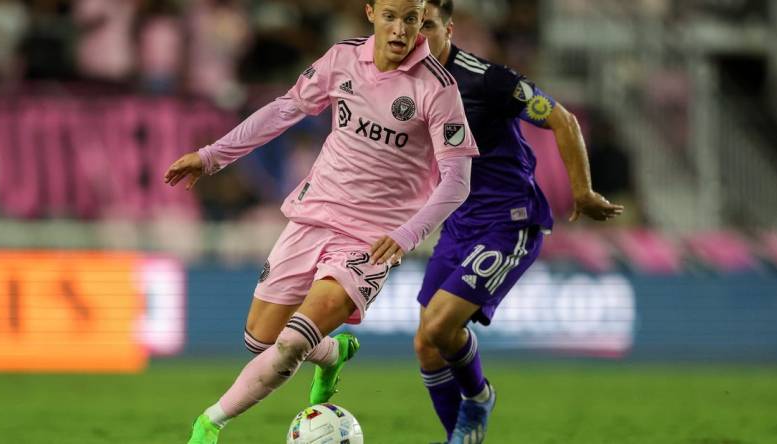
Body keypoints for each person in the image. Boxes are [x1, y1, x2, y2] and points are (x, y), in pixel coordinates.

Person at [163, 1, 478, 443]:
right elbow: (284, 110)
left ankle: (208, 425)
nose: (401, 29)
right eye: (391, 16)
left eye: (411, 18)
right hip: (314, 216)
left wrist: (407, 234)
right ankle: (332, 353)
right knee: (262, 340)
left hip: (372, 239)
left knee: (291, 344)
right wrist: (213, 156)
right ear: (370, 12)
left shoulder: (437, 88)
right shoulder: (342, 59)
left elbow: (457, 181)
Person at [413, 1, 624, 443]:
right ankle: (460, 436)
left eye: (428, 25)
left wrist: (582, 190)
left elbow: (562, 120)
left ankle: (479, 397)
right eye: (411, 25)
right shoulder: (402, 82)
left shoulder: (489, 81)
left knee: (439, 326)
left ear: (448, 29)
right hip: (459, 223)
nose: (417, 37)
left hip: (509, 221)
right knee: (427, 346)